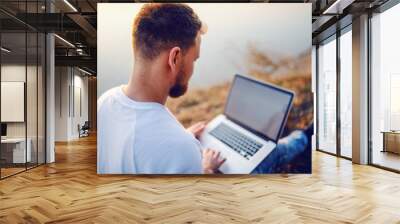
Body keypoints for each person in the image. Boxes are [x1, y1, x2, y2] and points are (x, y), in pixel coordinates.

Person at [97, 3, 312, 174]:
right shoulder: (181, 150)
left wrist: (183, 136)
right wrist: (206, 169)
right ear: (174, 58)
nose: (193, 70)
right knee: (275, 152)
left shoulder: (105, 102)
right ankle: (306, 136)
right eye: (195, 59)